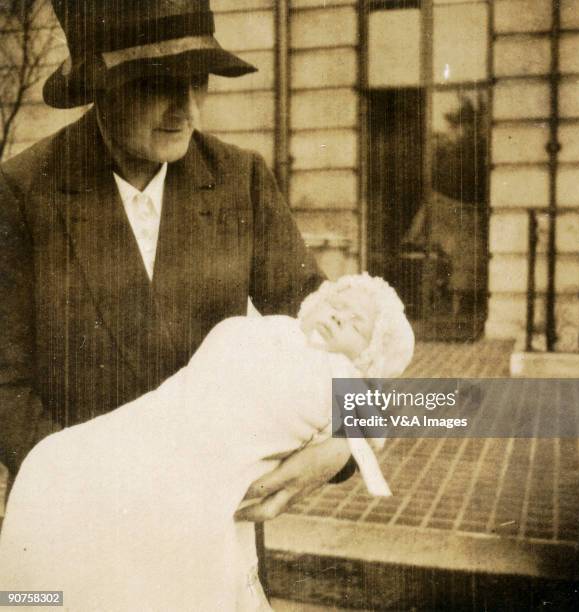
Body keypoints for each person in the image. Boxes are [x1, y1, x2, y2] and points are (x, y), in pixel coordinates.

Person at [0, 0, 356, 591]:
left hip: (215, 536)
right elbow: (4, 382)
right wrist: (99, 495)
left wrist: (346, 444)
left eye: (199, 81)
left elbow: (334, 334)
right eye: (158, 85)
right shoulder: (22, 193)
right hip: (80, 534)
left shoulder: (240, 179)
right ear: (99, 85)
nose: (186, 110)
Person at [0, 274, 415, 611]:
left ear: (369, 357)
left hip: (207, 473)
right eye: (335, 305)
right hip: (146, 427)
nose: (339, 317)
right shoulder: (268, 329)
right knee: (60, 469)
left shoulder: (342, 375)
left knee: (166, 565)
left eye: (357, 324)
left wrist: (344, 441)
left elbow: (372, 424)